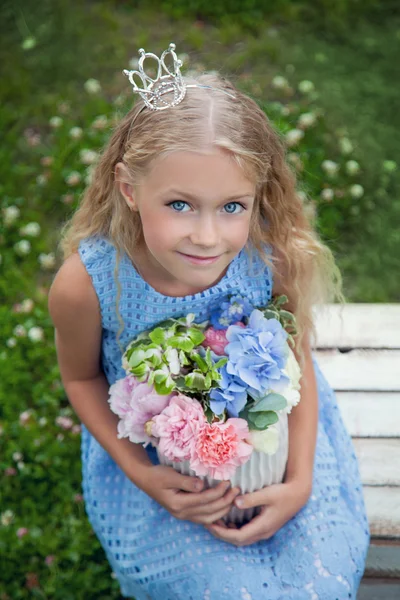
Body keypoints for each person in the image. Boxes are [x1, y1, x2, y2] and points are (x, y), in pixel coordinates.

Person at [48, 43, 370, 600]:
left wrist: (299, 482)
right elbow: (81, 380)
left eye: (232, 207)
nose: (207, 235)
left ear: (255, 198)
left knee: (320, 577)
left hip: (283, 446)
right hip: (160, 466)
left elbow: (298, 359)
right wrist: (145, 476)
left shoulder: (267, 258)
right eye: (179, 205)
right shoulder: (89, 285)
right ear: (129, 188)